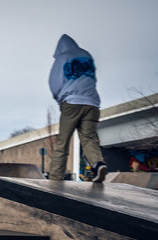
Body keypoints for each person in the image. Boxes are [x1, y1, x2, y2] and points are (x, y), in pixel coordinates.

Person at [48, 34, 107, 182]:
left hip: (72, 102)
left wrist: (59, 99)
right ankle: (98, 164)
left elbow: (54, 82)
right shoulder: (86, 55)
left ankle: (55, 178)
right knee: (88, 139)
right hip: (92, 103)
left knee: (63, 142)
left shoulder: (63, 57)